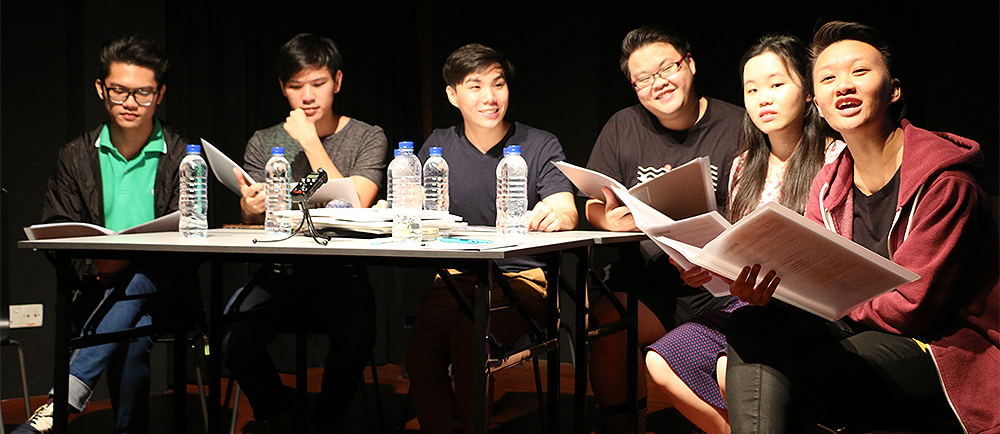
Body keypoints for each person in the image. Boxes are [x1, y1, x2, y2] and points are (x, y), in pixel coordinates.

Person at [725, 21, 999, 433]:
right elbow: (816, 279)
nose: (844, 86)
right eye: (830, 78)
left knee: (804, 373)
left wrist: (835, 298)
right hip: (861, 325)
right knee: (751, 324)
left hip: (946, 347)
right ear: (817, 103)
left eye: (860, 72)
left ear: (893, 90)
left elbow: (913, 309)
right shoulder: (829, 182)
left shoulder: (945, 181)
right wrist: (773, 290)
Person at [644, 34, 843, 434]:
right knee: (661, 360)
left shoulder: (835, 156)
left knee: (729, 369)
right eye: (751, 90)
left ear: (807, 92)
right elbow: (738, 247)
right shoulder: (745, 165)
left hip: (806, 310)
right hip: (751, 302)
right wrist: (703, 265)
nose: (762, 99)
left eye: (776, 84)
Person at [17, 35, 191, 434]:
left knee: (142, 279)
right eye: (120, 91)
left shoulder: (184, 156)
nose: (131, 102)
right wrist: (98, 269)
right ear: (102, 90)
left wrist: (127, 267)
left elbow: (189, 238)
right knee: (131, 333)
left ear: (160, 94)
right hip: (92, 287)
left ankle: (63, 400)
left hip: (164, 291)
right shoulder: (76, 155)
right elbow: (56, 227)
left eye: (143, 93)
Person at [404, 43, 578, 434]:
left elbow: (567, 209)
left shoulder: (538, 144)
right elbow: (410, 206)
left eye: (498, 85)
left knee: (470, 339)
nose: (490, 97)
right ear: (452, 94)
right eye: (475, 86)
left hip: (524, 281)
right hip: (454, 278)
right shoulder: (437, 147)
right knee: (421, 351)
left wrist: (555, 215)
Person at [223, 33, 388, 433]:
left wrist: (311, 141)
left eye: (317, 84)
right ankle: (282, 412)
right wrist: (249, 208)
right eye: (296, 87)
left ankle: (325, 422)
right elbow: (251, 223)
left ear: (338, 81)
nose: (307, 97)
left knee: (356, 337)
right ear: (283, 88)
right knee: (233, 339)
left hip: (342, 275)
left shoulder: (368, 137)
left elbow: (355, 203)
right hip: (280, 274)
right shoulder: (265, 142)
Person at [584, 25, 744, 433]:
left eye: (666, 68)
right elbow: (591, 202)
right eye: (644, 79)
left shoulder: (739, 124)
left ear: (689, 64)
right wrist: (609, 219)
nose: (659, 84)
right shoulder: (623, 126)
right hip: (650, 280)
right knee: (607, 326)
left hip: (721, 281)